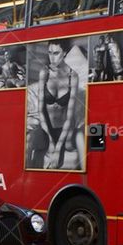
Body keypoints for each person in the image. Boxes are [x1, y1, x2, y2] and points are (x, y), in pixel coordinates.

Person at [38, 42, 81, 170]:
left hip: (65, 129)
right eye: (50, 53)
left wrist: (58, 147)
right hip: (47, 128)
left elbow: (70, 115)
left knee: (72, 145)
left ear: (65, 54)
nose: (52, 58)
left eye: (56, 53)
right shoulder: (44, 73)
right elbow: (40, 110)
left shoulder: (72, 76)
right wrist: (51, 140)